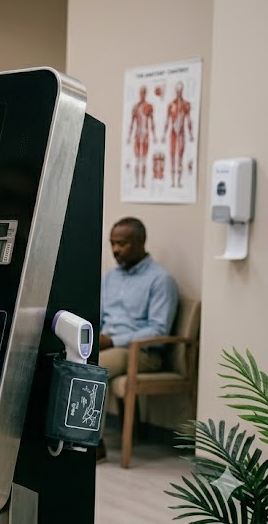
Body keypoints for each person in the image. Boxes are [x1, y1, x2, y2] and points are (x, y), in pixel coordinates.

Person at [96, 217, 178, 459]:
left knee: (94, 368)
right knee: (67, 358)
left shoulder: (160, 280)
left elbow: (158, 331)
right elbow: (98, 317)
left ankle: (93, 444)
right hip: (109, 345)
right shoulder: (111, 277)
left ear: (141, 241)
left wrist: (112, 340)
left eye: (122, 244)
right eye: (112, 244)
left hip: (143, 353)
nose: (115, 250)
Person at [160, 81, 195, 188]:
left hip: (181, 133)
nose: (179, 92)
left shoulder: (186, 105)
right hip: (173, 134)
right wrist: (164, 135)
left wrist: (190, 134)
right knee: (172, 156)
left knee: (179, 157)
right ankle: (172, 181)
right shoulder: (171, 105)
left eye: (180, 90)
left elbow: (189, 120)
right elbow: (167, 120)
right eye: (177, 90)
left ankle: (178, 181)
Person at [126, 85, 155, 188]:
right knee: (138, 160)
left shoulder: (149, 107)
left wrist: (154, 136)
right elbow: (132, 123)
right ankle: (137, 182)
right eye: (141, 92)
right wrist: (129, 136)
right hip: (138, 135)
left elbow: (152, 122)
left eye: (144, 92)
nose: (142, 94)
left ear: (145, 93)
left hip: (145, 135)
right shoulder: (136, 107)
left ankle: (142, 182)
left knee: (144, 160)